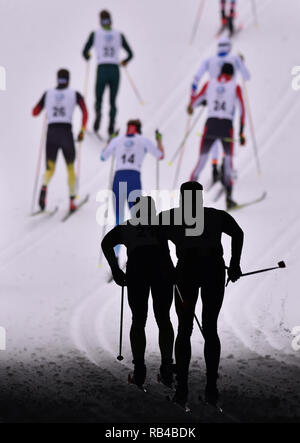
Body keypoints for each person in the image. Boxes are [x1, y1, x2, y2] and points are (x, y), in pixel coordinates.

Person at [159, 181, 244, 408]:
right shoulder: (215, 216)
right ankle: (211, 388)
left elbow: (154, 236)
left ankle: (183, 388)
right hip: (213, 271)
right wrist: (234, 265)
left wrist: (167, 267)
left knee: (184, 329)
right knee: (210, 328)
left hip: (185, 274)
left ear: (182, 199)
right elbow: (238, 233)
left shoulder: (171, 217)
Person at [101, 196, 175, 388]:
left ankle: (139, 370)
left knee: (138, 320)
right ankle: (167, 368)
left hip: (137, 271)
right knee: (164, 319)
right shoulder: (161, 225)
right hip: (162, 271)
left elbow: (106, 243)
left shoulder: (127, 227)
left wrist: (116, 270)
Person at [101, 119, 164, 257]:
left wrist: (110, 140)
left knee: (118, 218)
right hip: (133, 178)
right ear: (138, 129)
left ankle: (116, 255)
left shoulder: (117, 140)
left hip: (118, 178)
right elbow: (160, 155)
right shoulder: (143, 140)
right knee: (137, 218)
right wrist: (159, 140)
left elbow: (103, 156)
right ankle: (138, 250)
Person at [190, 35, 250, 182]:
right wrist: (242, 132)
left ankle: (212, 167)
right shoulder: (234, 59)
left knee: (204, 154)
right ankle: (227, 179)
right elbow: (247, 76)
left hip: (212, 106)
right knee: (227, 147)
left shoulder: (209, 62)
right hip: (228, 111)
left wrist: (196, 95)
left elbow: (196, 80)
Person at [188, 63, 246, 209]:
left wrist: (198, 99)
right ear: (232, 74)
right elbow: (242, 110)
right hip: (226, 126)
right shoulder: (235, 86)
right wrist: (241, 132)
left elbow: (193, 104)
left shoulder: (209, 83)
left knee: (201, 162)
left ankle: (187, 200)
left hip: (211, 125)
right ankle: (229, 199)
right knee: (228, 163)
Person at [32, 69, 88, 212]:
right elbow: (85, 112)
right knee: (70, 168)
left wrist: (48, 108)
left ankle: (43, 189)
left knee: (50, 169)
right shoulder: (74, 94)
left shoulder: (48, 93)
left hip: (51, 133)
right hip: (66, 133)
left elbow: (35, 112)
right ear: (68, 80)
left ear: (57, 79)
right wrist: (82, 131)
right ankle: (71, 201)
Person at [82, 10, 133, 138]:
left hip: (102, 68)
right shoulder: (119, 35)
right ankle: (111, 127)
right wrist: (124, 61)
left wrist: (88, 56)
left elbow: (85, 52)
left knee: (99, 98)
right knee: (113, 100)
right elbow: (130, 54)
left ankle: (97, 121)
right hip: (115, 69)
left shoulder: (95, 34)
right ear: (111, 21)